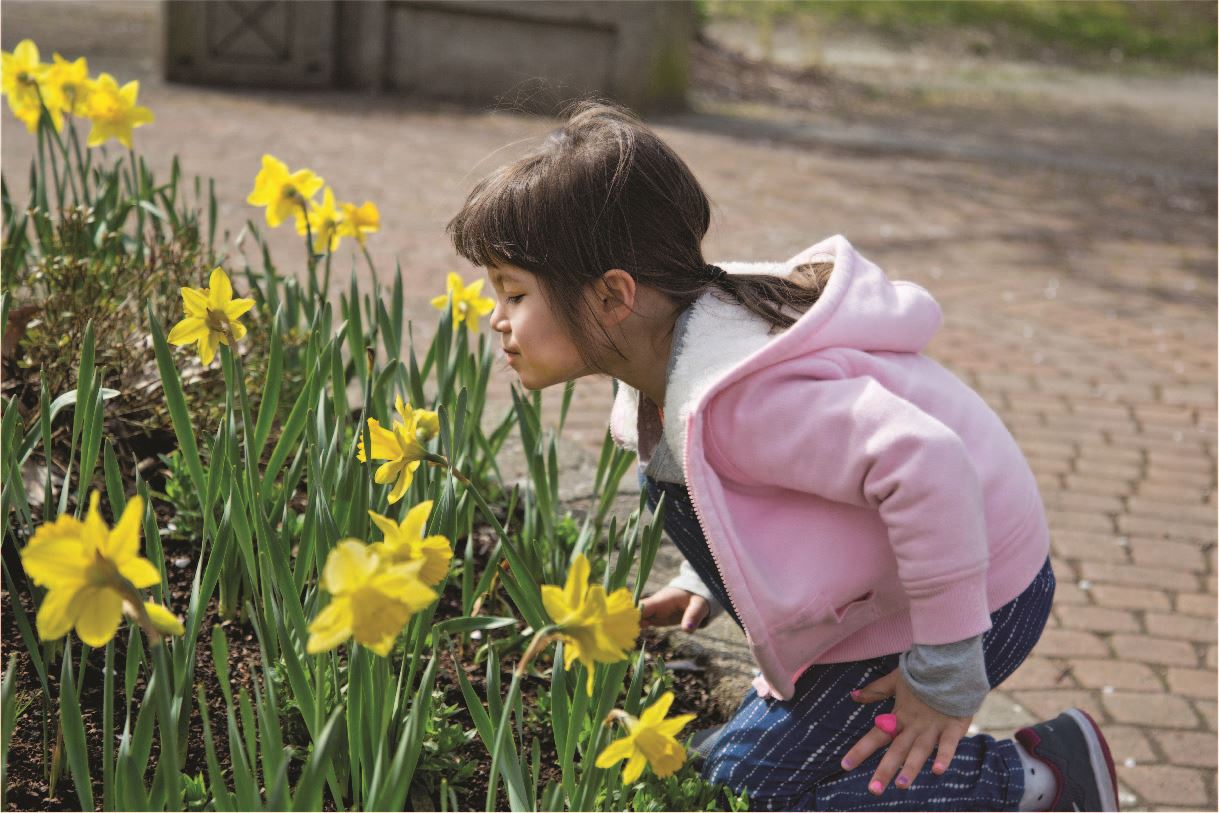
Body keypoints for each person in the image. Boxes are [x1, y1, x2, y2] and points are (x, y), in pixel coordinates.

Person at [446, 100, 1119, 811]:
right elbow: (762, 490)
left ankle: (1038, 779)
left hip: (975, 590)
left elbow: (928, 463)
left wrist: (944, 672)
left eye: (513, 293)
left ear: (614, 295)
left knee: (752, 802)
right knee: (729, 783)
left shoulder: (740, 398)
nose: (497, 317)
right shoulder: (680, 349)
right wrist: (704, 582)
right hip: (907, 581)